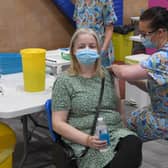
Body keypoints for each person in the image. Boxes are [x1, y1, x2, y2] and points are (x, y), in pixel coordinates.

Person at [52, 28, 142, 168]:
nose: (87, 49)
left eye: (92, 46)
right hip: (83, 136)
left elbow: (119, 110)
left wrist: (125, 129)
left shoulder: (108, 76)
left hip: (114, 133)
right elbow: (58, 123)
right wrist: (87, 140)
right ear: (73, 51)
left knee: (133, 142)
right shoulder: (65, 81)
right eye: (81, 46)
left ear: (98, 50)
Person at [108, 7, 168, 141]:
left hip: (164, 121)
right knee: (137, 114)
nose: (142, 38)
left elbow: (124, 73)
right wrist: (136, 82)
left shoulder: (161, 58)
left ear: (160, 32)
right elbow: (160, 91)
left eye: (145, 34)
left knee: (129, 126)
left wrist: (113, 68)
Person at [71, 0, 117, 67]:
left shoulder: (105, 1)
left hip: (99, 47)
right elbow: (78, 24)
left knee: (101, 74)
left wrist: (103, 50)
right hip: (82, 48)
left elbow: (109, 28)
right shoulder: (79, 1)